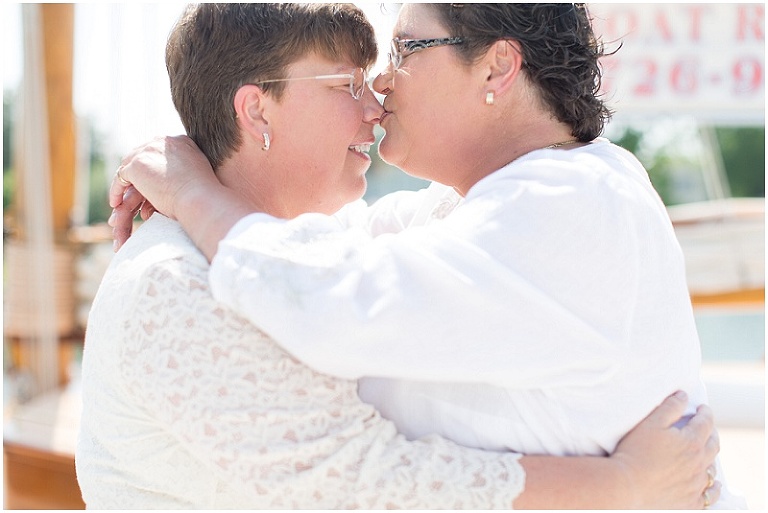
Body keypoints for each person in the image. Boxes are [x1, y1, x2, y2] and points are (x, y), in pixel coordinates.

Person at [96, 3, 724, 509]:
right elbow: (331, 253)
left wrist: (192, 190)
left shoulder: (571, 204)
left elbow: (330, 301)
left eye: (405, 49)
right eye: (350, 81)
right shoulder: (485, 205)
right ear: (255, 106)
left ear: (497, 68)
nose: (381, 87)